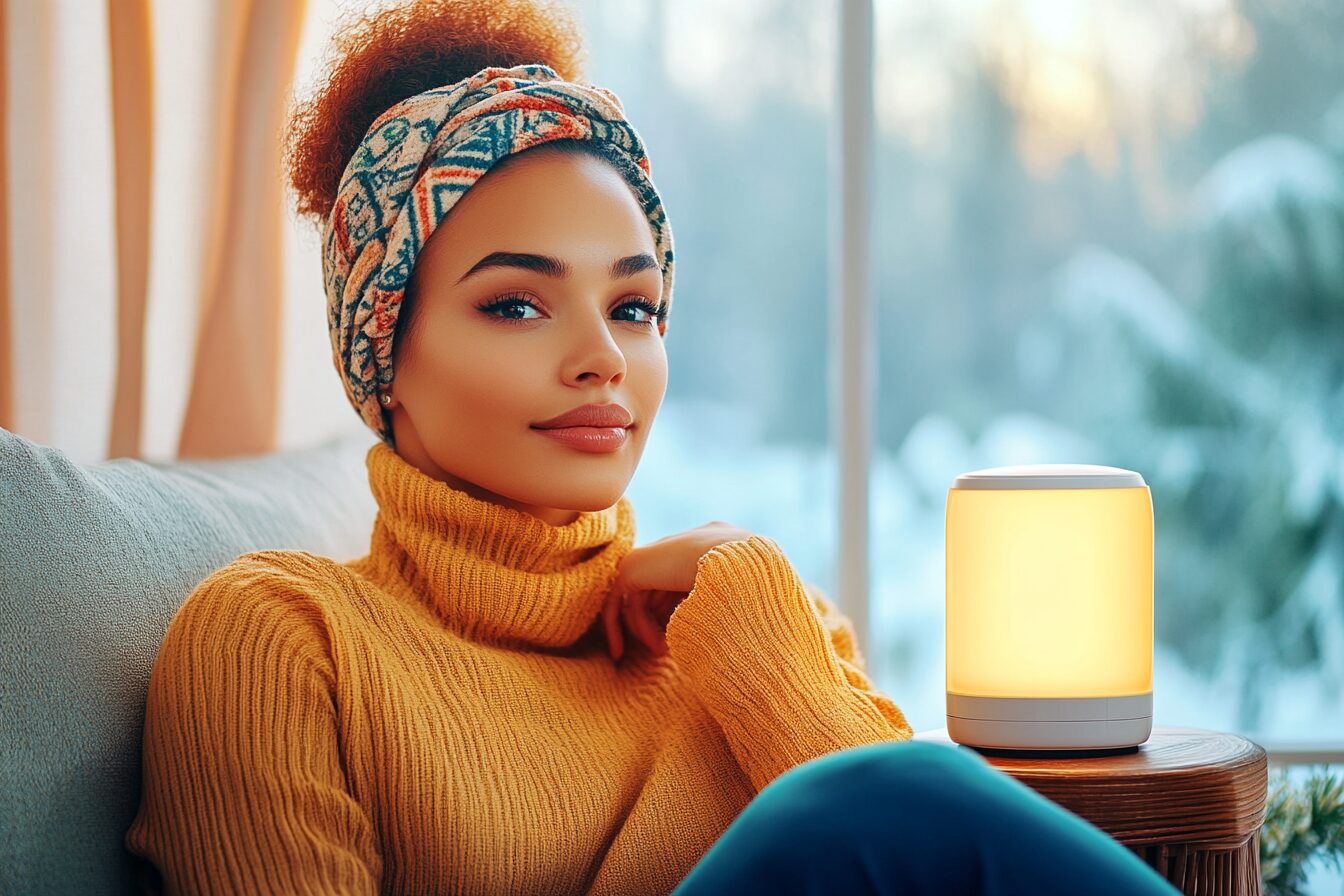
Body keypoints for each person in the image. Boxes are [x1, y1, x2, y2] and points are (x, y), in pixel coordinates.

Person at [123, 1, 1180, 894]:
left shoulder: (755, 615)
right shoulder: (280, 639)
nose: (603, 357)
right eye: (516, 305)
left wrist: (758, 620)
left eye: (635, 305)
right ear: (384, 355)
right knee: (887, 793)